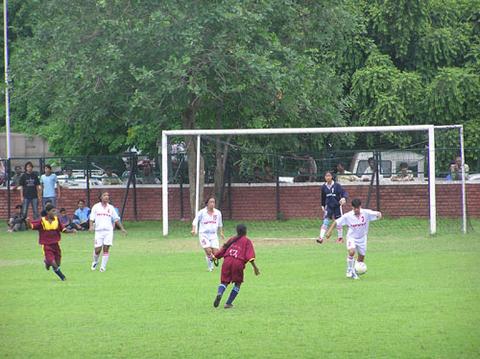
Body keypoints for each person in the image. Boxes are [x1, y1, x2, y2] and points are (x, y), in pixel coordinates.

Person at [325, 198, 382, 279]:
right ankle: (349, 270)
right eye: (354, 208)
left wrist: (379, 215)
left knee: (361, 260)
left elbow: (378, 214)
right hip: (352, 238)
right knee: (352, 252)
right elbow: (336, 222)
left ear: (360, 207)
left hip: (362, 238)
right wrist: (329, 232)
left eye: (357, 208)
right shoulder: (348, 216)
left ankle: (355, 271)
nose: (356, 210)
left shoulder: (366, 213)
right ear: (352, 208)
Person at [212, 224, 260, 309]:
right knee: (237, 283)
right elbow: (250, 256)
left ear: (237, 231)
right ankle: (228, 303)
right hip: (238, 262)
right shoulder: (247, 241)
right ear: (245, 231)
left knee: (224, 282)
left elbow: (223, 249)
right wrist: (255, 268)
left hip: (227, 261)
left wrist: (215, 257)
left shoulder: (232, 239)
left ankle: (220, 293)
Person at [26, 203, 67, 281]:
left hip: (56, 244)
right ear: (48, 212)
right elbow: (31, 226)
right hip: (46, 245)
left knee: (58, 263)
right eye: (53, 211)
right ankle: (63, 277)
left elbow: (63, 229)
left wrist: (71, 231)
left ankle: (47, 262)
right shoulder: (42, 221)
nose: (55, 213)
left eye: (55, 211)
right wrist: (28, 221)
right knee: (54, 264)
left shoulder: (57, 220)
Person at [89, 191, 127, 272]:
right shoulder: (96, 207)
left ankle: (103, 267)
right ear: (100, 197)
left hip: (108, 231)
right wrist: (91, 226)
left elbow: (116, 219)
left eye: (107, 195)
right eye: (104, 195)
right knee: (97, 250)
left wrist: (122, 228)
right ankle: (95, 261)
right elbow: (92, 218)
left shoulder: (111, 208)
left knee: (106, 249)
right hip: (99, 231)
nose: (106, 197)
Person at [191, 196, 225, 272]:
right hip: (204, 234)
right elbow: (195, 221)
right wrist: (193, 230)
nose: (212, 204)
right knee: (208, 251)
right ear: (207, 204)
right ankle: (210, 267)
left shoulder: (218, 213)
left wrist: (221, 233)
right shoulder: (202, 212)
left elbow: (220, 224)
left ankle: (211, 259)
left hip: (213, 235)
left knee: (216, 253)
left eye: (214, 202)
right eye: (211, 202)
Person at [317, 171, 348, 244]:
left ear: (332, 177)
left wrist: (344, 198)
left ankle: (340, 238)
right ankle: (321, 238)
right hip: (329, 207)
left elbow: (344, 192)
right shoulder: (324, 187)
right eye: (326, 176)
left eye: (329, 176)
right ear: (324, 177)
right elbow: (323, 197)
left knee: (339, 222)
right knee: (326, 221)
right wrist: (323, 205)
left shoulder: (337, 186)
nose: (327, 177)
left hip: (337, 206)